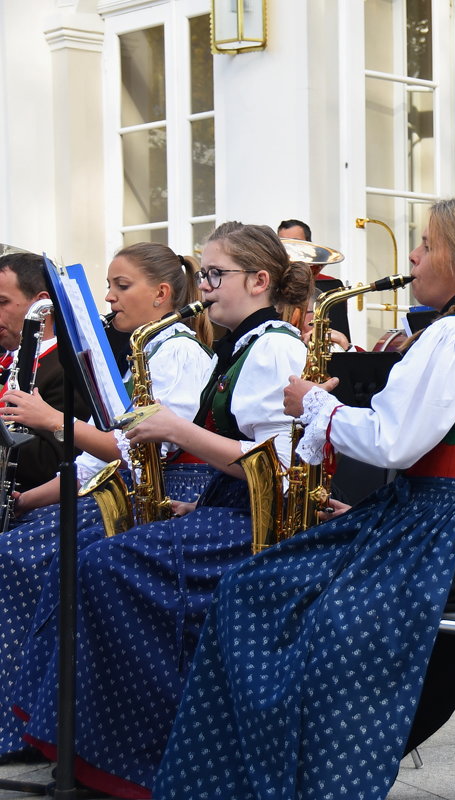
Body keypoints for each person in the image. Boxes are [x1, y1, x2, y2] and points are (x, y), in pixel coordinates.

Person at [153, 198, 455, 799]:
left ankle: (274, 774)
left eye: (426, 244)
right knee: (262, 586)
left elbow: (392, 441)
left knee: (262, 597)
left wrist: (316, 403)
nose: (412, 255)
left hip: (444, 539)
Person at [10, 222, 311, 798]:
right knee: (94, 560)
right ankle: (89, 747)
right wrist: (192, 499)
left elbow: (276, 468)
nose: (206, 287)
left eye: (216, 275)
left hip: (255, 525)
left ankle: (136, 754)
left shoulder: (274, 346)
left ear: (260, 280)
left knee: (104, 567)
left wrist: (178, 430)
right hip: (223, 506)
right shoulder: (244, 344)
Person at [0, 242, 217, 759]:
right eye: (109, 287)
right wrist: (29, 500)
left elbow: (146, 451)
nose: (110, 299)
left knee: (22, 558)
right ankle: (35, 719)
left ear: (162, 294)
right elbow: (101, 462)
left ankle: (36, 725)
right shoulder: (147, 350)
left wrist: (52, 420)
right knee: (18, 546)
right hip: (124, 489)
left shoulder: (180, 350)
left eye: (122, 287)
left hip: (165, 495)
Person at [0, 251, 90, 492]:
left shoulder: (67, 366)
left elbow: (50, 461)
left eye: (2, 302)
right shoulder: (9, 359)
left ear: (42, 304)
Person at [278, 218, 351, 342]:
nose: (290, 251)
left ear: (309, 245)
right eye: (283, 244)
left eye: (296, 244)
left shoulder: (331, 285)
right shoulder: (271, 284)